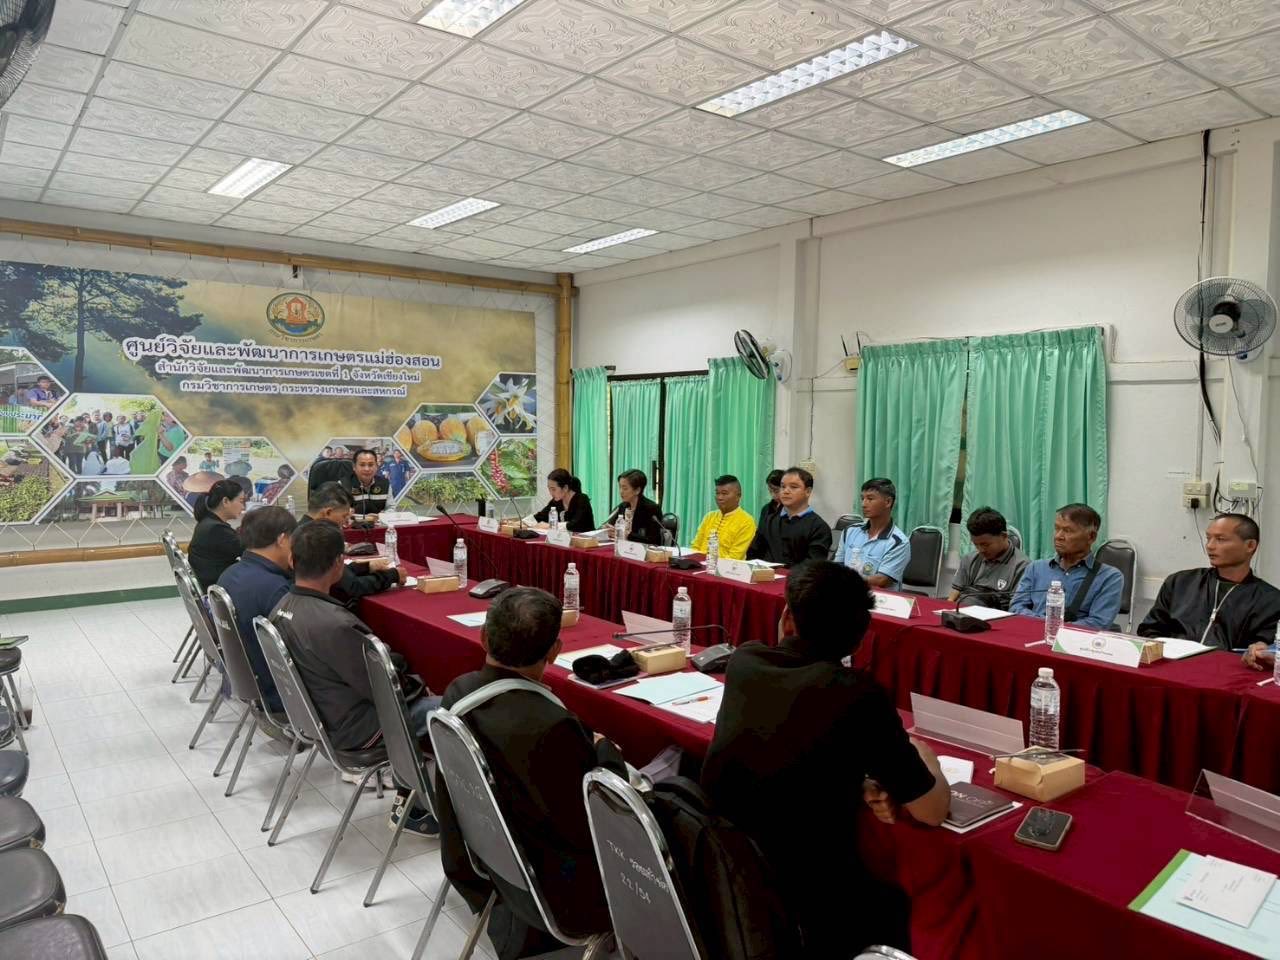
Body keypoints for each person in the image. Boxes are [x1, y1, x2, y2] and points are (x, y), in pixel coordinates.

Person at [702, 561, 949, 957]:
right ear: (859, 640)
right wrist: (927, 758)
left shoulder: (745, 661)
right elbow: (932, 811)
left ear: (787, 619)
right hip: (810, 901)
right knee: (899, 902)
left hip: (725, 880)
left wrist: (858, 780)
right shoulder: (858, 694)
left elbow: (794, 740)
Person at [438, 587, 625, 960]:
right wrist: (607, 754)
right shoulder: (552, 726)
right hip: (556, 892)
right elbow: (591, 821)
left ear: (483, 637)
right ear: (554, 652)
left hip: (489, 859)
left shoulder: (458, 691)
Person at [272, 520, 439, 835]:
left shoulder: (281, 607)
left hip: (320, 718)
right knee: (451, 712)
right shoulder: (335, 624)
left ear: (292, 560)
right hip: (357, 729)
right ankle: (419, 808)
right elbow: (385, 689)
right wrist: (419, 688)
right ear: (339, 564)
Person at [1132, 514, 1280, 660]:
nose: (1210, 546)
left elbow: (1265, 649)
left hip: (1226, 672)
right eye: (1208, 538)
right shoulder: (1180, 583)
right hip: (1171, 667)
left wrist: (1259, 652)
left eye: (1220, 539)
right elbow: (1150, 630)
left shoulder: (1270, 600)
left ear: (1250, 545)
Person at [215, 505, 296, 716]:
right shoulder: (275, 588)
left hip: (246, 681)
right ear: (282, 539)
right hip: (278, 694)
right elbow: (299, 651)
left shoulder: (228, 574)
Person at [1010, 503, 1123, 629]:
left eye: (1067, 530)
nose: (1058, 536)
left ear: (1091, 537)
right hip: (1031, 633)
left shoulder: (1109, 577)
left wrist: (1052, 627)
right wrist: (1045, 624)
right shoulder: (1036, 568)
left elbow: (1098, 623)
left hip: (1076, 640)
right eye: (1056, 528)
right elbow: (1016, 607)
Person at [295, 482, 404, 600]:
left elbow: (340, 574)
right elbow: (352, 587)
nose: (345, 523)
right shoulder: (319, 538)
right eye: (344, 516)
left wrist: (367, 567)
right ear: (328, 512)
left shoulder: (299, 530)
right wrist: (392, 575)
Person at [834, 478, 911, 589]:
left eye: (870, 499)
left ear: (888, 502)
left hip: (879, 597)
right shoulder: (850, 531)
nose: (863, 504)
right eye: (862, 499)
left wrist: (846, 580)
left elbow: (882, 581)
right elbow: (837, 566)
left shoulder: (898, 542)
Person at [746, 467, 832, 566]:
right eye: (783, 486)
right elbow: (752, 554)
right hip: (764, 574)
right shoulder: (769, 521)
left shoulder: (819, 528)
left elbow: (812, 567)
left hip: (796, 576)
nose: (785, 491)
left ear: (808, 491)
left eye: (793, 487)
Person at [947, 507, 1029, 609]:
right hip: (964, 611)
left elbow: (1017, 607)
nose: (981, 550)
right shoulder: (970, 559)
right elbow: (955, 592)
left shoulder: (1022, 566)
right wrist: (947, 609)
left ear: (1004, 536)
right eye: (976, 545)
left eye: (985, 544)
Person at [188, 478, 247, 591]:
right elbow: (246, 550)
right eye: (241, 501)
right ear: (225, 501)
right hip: (219, 588)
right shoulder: (216, 529)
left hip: (213, 582)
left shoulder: (208, 523)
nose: (243, 507)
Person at [690, 474, 756, 560]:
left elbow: (734, 557)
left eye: (724, 493)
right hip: (698, 565)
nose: (719, 497)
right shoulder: (709, 517)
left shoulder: (747, 521)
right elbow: (695, 546)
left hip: (727, 567)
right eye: (717, 493)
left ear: (738, 496)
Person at [603, 469, 663, 545]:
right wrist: (609, 530)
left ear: (637, 490)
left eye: (625, 488)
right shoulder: (622, 507)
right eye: (620, 487)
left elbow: (654, 540)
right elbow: (611, 527)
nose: (621, 491)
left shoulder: (652, 509)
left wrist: (628, 535)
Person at [532, 468, 595, 533]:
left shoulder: (582, 499)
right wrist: (525, 523)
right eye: (549, 489)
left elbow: (575, 525)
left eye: (553, 489)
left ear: (565, 488)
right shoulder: (556, 502)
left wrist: (550, 526)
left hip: (587, 538)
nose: (550, 493)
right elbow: (539, 517)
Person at [343, 448, 390, 518]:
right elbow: (338, 512)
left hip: (379, 523)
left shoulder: (385, 484)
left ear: (376, 466)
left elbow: (391, 508)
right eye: (362, 465)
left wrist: (381, 516)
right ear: (354, 467)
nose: (367, 469)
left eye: (371, 465)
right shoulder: (343, 484)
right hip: (352, 523)